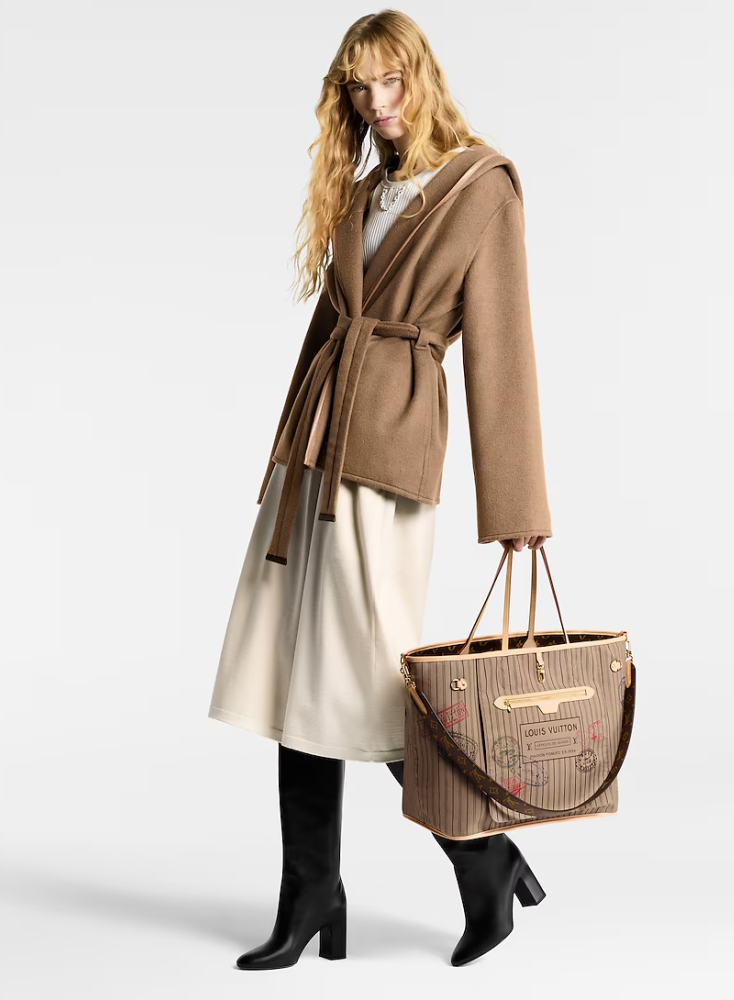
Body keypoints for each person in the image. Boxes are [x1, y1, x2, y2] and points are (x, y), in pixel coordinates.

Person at [208, 9, 552, 970]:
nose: (377, 102)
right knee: (297, 670)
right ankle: (310, 892)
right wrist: (286, 455)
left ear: (423, 74)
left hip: (391, 447)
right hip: (318, 452)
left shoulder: (481, 185)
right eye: (359, 88)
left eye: (391, 80)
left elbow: (502, 352)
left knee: (371, 679)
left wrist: (518, 509)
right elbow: (328, 334)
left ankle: (486, 861)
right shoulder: (363, 189)